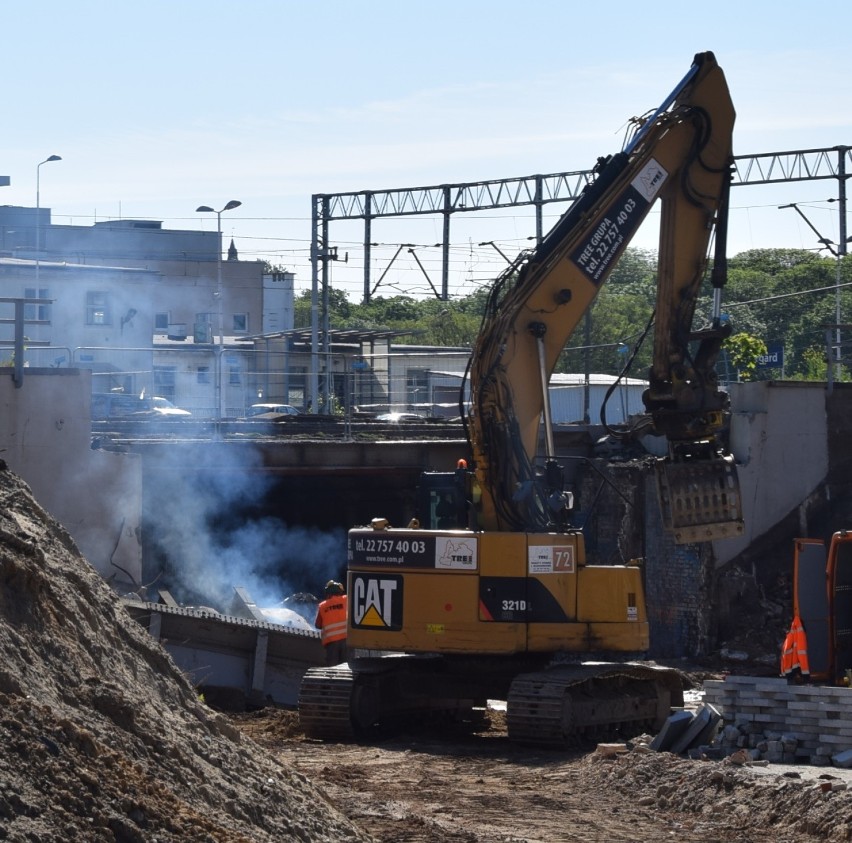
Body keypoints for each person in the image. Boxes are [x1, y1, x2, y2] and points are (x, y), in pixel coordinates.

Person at [314, 580, 348, 666]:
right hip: (347, 641)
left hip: (331, 643)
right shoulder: (346, 599)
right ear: (339, 592)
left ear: (328, 593)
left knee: (332, 670)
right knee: (346, 668)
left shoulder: (322, 606)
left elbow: (318, 625)